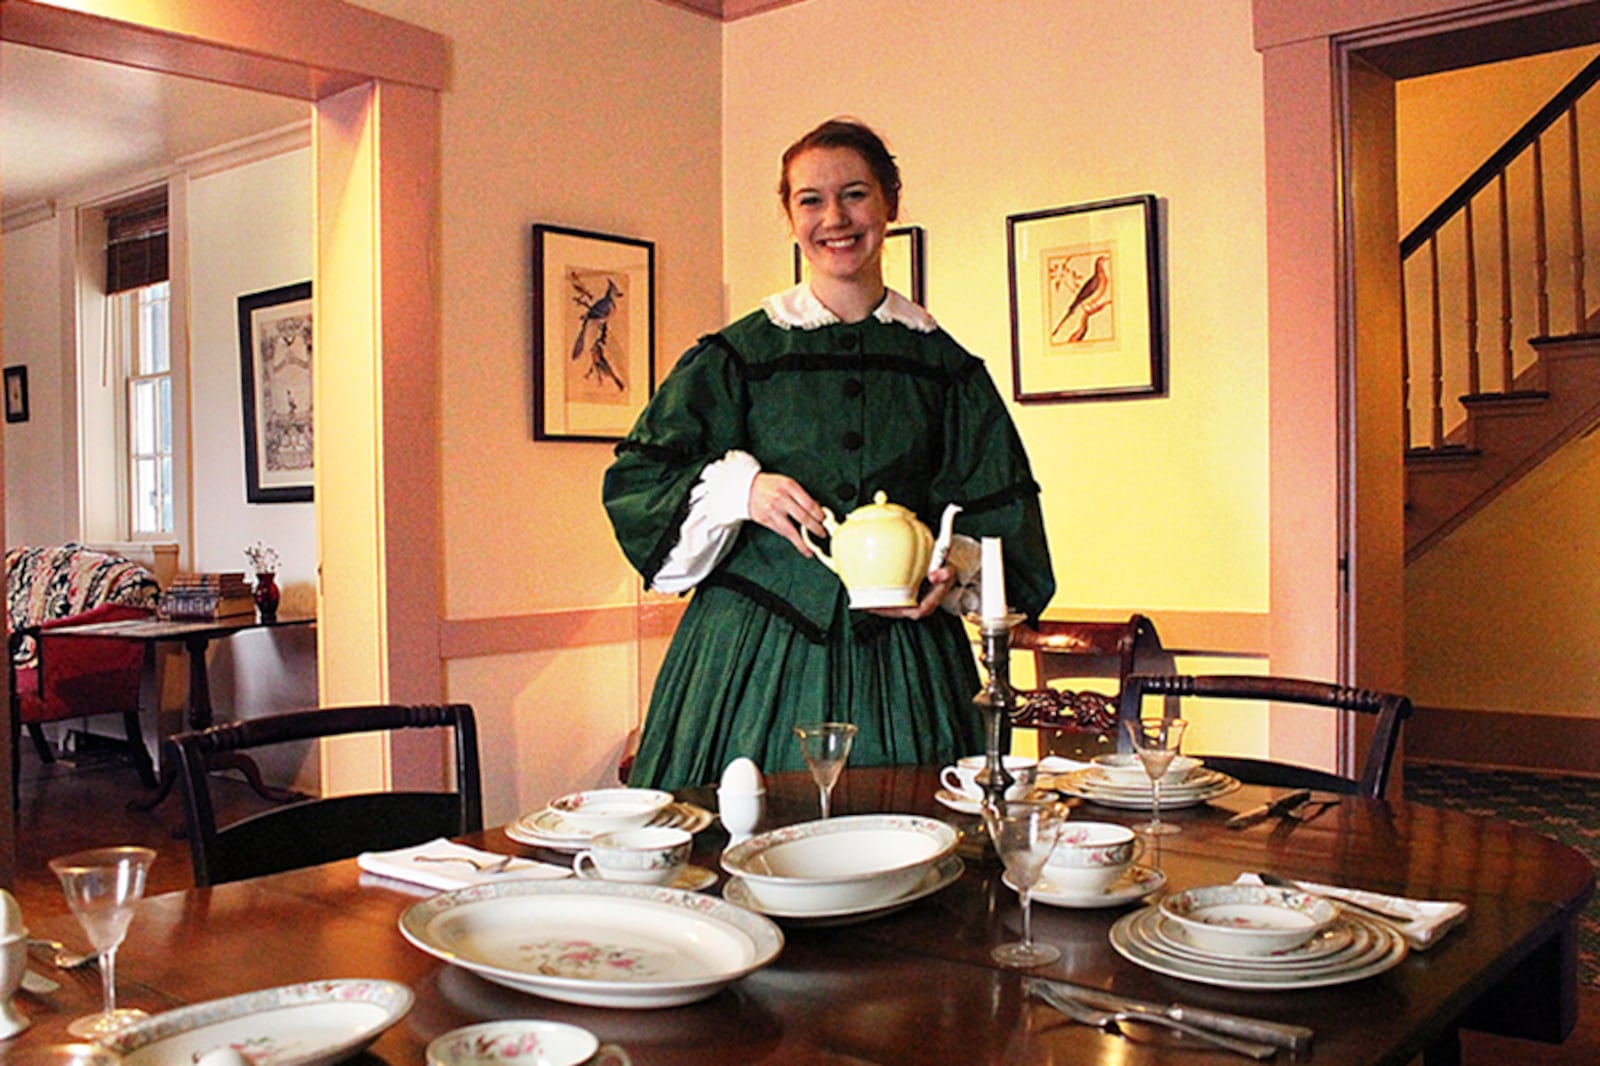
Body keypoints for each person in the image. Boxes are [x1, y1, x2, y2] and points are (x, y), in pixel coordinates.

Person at [603, 118, 1053, 790]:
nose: (834, 218)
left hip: (905, 666)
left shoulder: (946, 369)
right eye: (810, 199)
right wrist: (744, 492)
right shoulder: (737, 357)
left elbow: (1002, 526)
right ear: (789, 216)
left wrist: (950, 568)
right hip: (747, 662)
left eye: (854, 194)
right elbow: (638, 480)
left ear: (890, 202)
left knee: (915, 834)